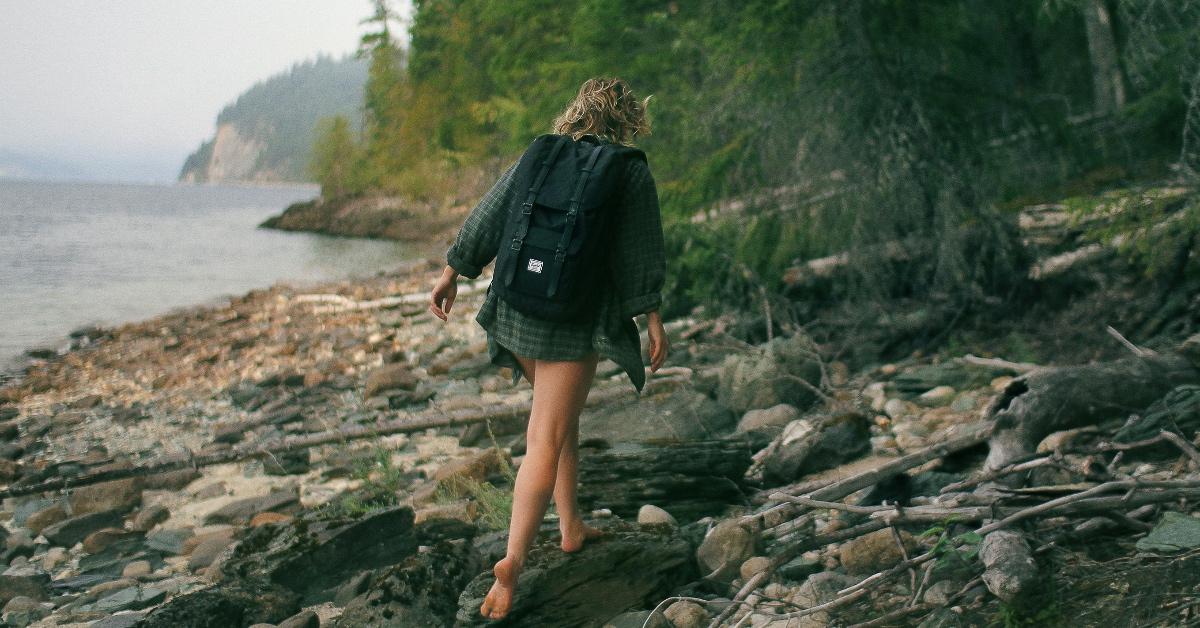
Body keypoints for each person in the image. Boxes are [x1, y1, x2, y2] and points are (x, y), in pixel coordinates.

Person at [428, 76, 669, 621]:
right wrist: (651, 314)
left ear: (575, 112)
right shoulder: (627, 169)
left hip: (518, 309)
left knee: (561, 422)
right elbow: (640, 248)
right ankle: (511, 564)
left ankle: (570, 527)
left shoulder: (541, 153)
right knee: (545, 435)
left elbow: (490, 214)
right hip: (572, 317)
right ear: (627, 119)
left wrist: (452, 270)